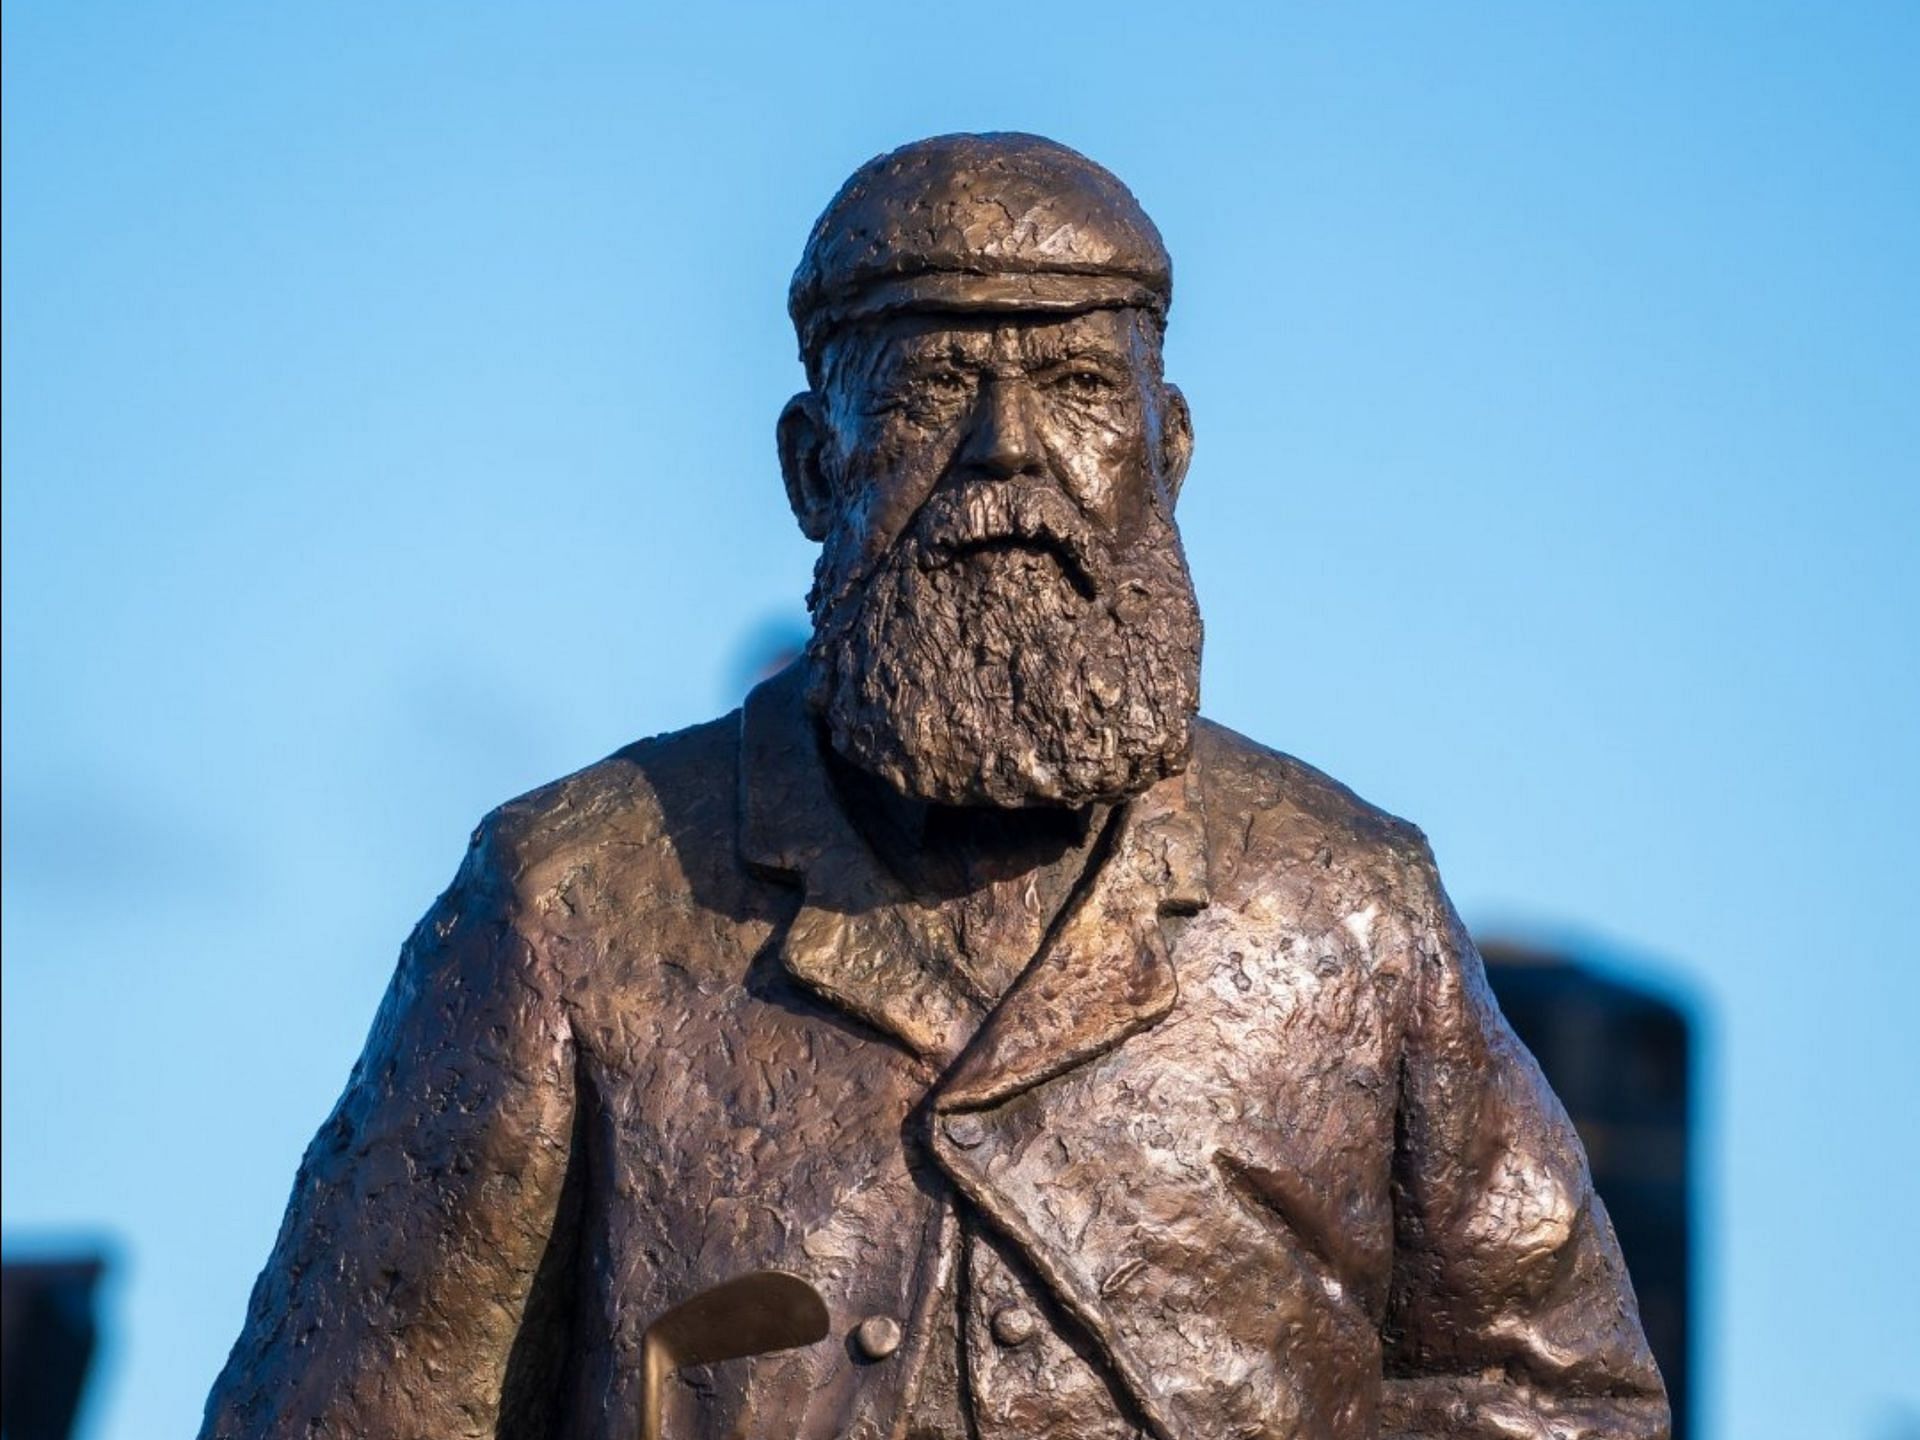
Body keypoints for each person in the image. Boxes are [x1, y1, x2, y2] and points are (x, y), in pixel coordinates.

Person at [201, 133, 1668, 1440]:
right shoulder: (569, 905)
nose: (1007, 454)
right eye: (933, 392)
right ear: (809, 468)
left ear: (1171, 448)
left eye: (1082, 389)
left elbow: (1562, 1402)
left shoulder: (1350, 915)